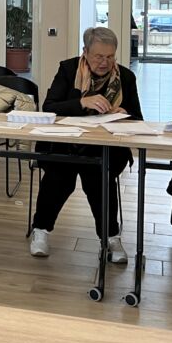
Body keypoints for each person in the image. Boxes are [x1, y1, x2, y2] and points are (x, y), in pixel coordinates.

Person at [29, 27, 141, 263]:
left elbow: (138, 119)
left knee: (99, 177)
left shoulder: (125, 77)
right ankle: (41, 230)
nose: (105, 63)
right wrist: (82, 102)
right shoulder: (68, 69)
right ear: (85, 52)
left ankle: (111, 238)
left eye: (110, 57)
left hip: (105, 147)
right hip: (65, 143)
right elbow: (50, 107)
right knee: (58, 175)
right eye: (99, 56)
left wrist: (124, 113)